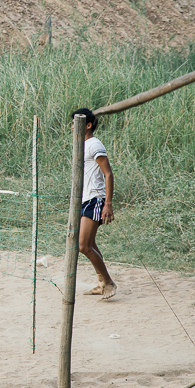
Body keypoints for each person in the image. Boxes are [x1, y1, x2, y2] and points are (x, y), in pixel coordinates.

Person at [74, 108, 117, 300]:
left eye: (76, 122)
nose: (72, 126)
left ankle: (108, 282)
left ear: (88, 125)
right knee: (88, 243)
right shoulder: (81, 145)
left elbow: (108, 173)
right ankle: (102, 283)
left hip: (96, 199)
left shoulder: (94, 144)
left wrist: (108, 203)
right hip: (85, 199)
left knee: (83, 246)